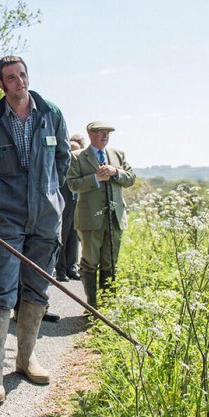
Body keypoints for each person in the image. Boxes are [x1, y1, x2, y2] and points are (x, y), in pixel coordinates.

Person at [0, 55, 69, 404]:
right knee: (2, 288)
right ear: (1, 84)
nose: (20, 81)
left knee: (38, 286)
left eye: (22, 75)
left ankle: (26, 358)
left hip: (46, 216)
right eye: (11, 77)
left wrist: (49, 193)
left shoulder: (51, 114)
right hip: (8, 216)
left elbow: (63, 161)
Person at [66, 121, 136, 307]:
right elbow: (72, 184)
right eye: (100, 133)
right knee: (90, 262)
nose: (105, 136)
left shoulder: (118, 155)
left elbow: (131, 178)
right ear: (90, 134)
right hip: (90, 219)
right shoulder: (77, 157)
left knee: (110, 262)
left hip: (115, 218)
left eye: (107, 133)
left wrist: (115, 172)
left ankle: (107, 308)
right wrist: (95, 179)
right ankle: (92, 306)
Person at [57, 132, 86, 281]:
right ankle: (61, 270)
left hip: (77, 201)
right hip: (64, 198)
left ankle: (71, 268)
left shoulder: (83, 164)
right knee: (62, 234)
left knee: (74, 237)